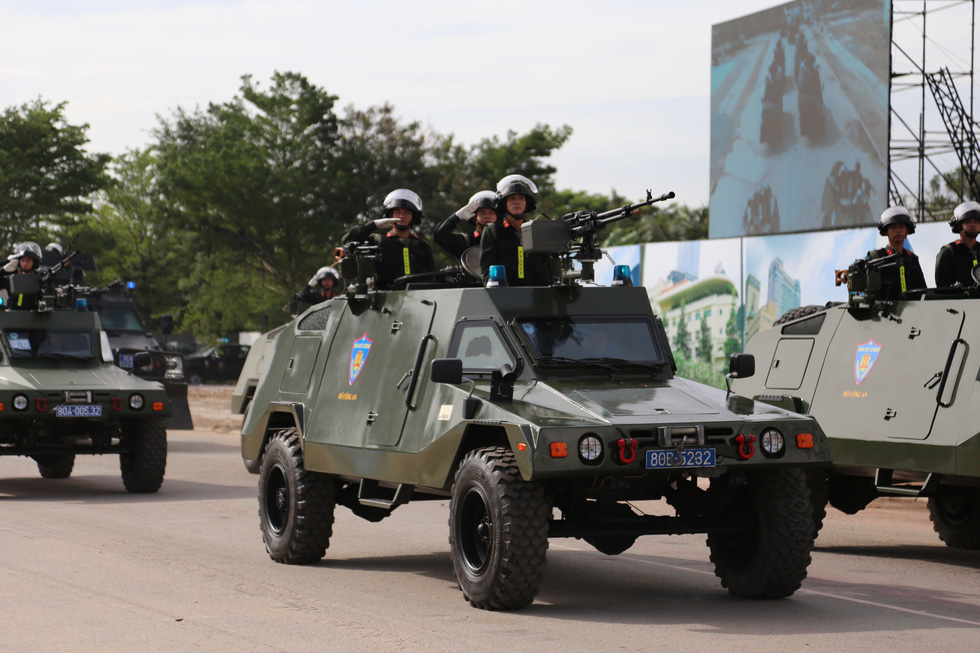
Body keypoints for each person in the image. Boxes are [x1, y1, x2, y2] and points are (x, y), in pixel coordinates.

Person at [343, 189, 436, 289]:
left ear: (414, 217)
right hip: (385, 299)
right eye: (397, 212)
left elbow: (432, 279)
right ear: (390, 215)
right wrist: (373, 224)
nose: (401, 216)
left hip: (418, 299)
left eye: (407, 213)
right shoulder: (378, 242)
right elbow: (347, 239)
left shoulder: (422, 246)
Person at [479, 174, 551, 286]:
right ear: (504, 204)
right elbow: (486, 271)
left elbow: (546, 268)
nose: (516, 202)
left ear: (526, 203)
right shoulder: (493, 231)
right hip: (504, 295)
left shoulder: (535, 231)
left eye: (521, 198)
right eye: (512, 198)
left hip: (536, 295)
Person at [866, 206, 926, 298]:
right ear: (886, 231)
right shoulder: (876, 258)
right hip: (884, 311)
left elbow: (923, 293)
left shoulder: (913, 259)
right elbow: (870, 295)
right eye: (893, 227)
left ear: (907, 230)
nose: (898, 230)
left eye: (901, 227)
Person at [434, 190, 497, 259]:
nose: (487, 216)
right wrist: (457, 216)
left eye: (491, 213)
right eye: (482, 213)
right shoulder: (466, 241)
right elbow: (439, 235)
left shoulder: (505, 239)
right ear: (474, 218)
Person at [935, 200, 980, 287]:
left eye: (976, 222)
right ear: (959, 225)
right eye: (968, 221)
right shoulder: (948, 252)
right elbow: (942, 289)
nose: (972, 225)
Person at [1, 241, 43, 310]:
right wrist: (3, 269)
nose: (25, 263)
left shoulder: (39, 279)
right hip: (13, 315)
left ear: (34, 263)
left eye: (28, 261)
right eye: (22, 260)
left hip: (33, 317)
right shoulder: (12, 278)